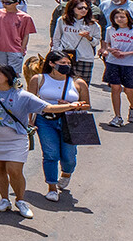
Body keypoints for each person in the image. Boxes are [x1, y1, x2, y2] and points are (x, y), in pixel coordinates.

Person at [0, 62, 69, 217]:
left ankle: (20, 200)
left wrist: (71, 106)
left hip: (16, 139)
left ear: (7, 76)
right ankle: (4, 199)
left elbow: (47, 108)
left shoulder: (22, 95)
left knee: (14, 170)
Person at [25, 49, 93, 203]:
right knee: (51, 154)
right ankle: (52, 187)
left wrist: (71, 105)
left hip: (70, 121)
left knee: (69, 157)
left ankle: (66, 174)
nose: (66, 66)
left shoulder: (78, 82)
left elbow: (87, 105)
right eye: (62, 63)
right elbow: (29, 102)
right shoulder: (39, 79)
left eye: (68, 63)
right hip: (45, 120)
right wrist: (29, 121)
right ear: (51, 63)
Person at [53, 0, 103, 82]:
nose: (83, 10)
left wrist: (88, 37)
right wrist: (57, 52)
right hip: (66, 56)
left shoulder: (93, 25)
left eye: (86, 8)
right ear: (72, 8)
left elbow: (96, 42)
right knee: (63, 83)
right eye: (80, 8)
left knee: (82, 85)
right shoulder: (63, 20)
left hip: (84, 58)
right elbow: (57, 38)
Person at [0, 0, 36, 76]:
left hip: (15, 49)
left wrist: (22, 48)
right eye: (3, 2)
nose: (4, 4)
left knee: (13, 74)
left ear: (16, 3)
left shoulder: (25, 17)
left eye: (7, 3)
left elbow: (26, 35)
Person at [103, 5, 133, 127]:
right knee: (115, 88)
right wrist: (110, 50)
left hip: (129, 63)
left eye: (122, 17)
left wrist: (125, 53)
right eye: (116, 17)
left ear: (128, 17)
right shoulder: (110, 29)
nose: (119, 19)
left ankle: (132, 107)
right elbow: (106, 44)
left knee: (129, 89)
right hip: (113, 62)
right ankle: (117, 116)